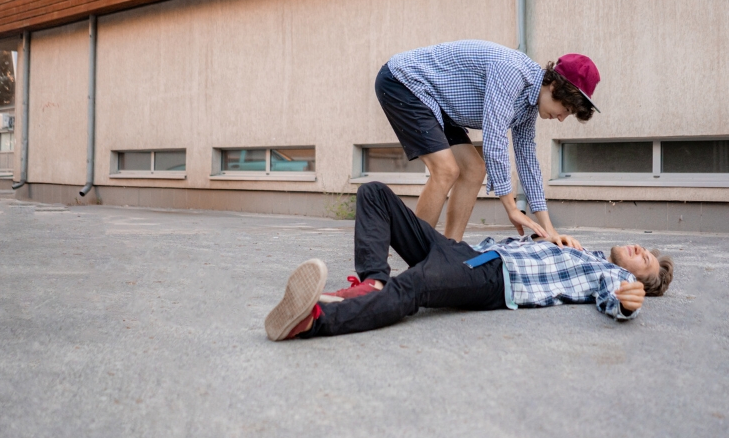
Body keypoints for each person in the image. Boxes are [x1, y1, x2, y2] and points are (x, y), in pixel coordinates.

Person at [264, 182, 674, 341]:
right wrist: (552, 238)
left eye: (647, 263)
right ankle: (372, 283)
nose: (642, 252)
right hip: (469, 253)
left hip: (493, 277)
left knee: (416, 286)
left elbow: (613, 295)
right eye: (645, 248)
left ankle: (313, 321)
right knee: (374, 194)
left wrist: (626, 299)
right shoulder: (581, 250)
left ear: (640, 278)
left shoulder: (610, 273)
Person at [377, 40, 600, 243]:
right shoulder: (513, 72)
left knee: (474, 169)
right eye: (565, 109)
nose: (561, 118)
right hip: (405, 82)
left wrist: (549, 230)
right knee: (445, 170)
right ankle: (416, 255)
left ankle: (450, 250)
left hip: (438, 103)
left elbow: (527, 161)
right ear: (554, 87)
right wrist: (511, 208)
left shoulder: (529, 105)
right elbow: (494, 140)